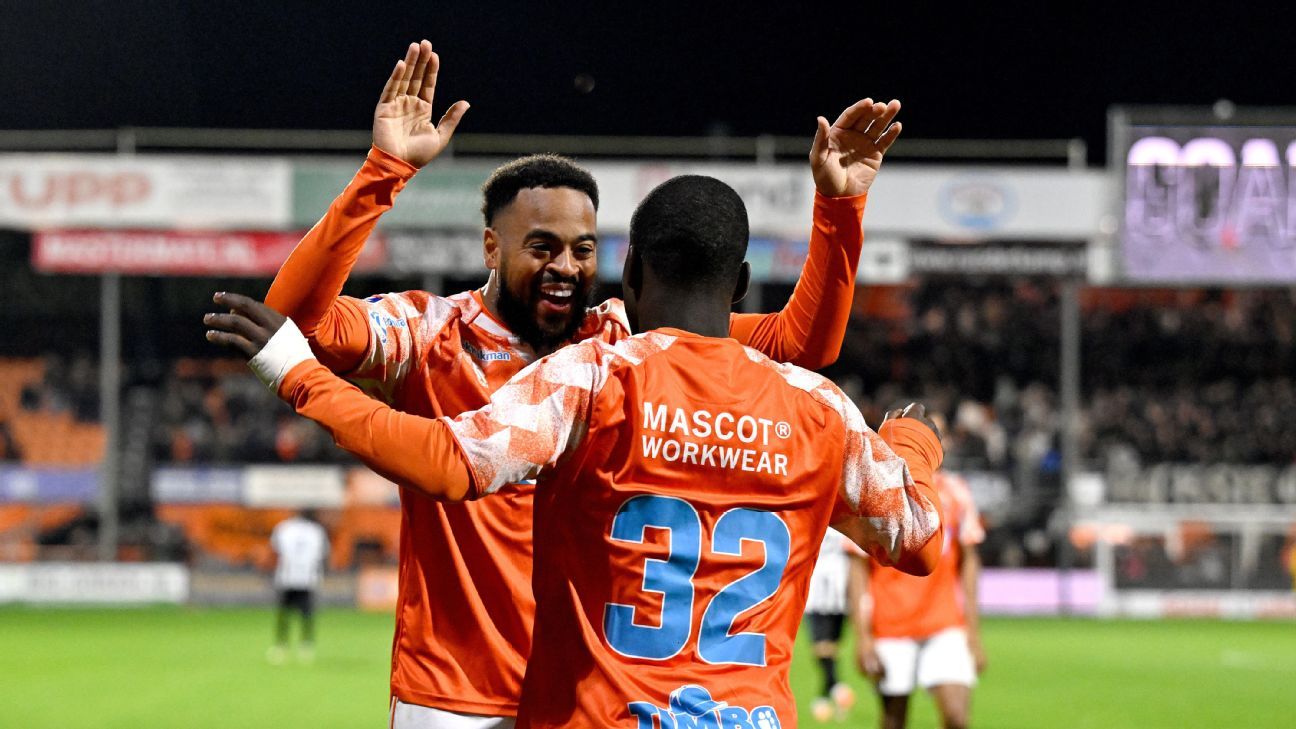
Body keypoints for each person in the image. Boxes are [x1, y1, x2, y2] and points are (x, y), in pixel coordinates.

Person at [258, 38, 904, 728]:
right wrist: (382, 171)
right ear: (491, 248)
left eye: (584, 247)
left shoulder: (623, 342)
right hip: (453, 693)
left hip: (586, 696)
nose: (565, 265)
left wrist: (839, 211)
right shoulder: (425, 331)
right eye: (541, 246)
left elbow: (804, 344)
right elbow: (300, 319)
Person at [853, 470, 986, 729]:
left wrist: (973, 631)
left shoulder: (955, 489)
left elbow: (969, 559)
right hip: (890, 624)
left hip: (945, 622)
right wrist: (863, 636)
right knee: (893, 720)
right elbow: (858, 567)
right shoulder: (872, 488)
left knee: (957, 718)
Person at [803, 530, 856, 722]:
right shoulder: (845, 519)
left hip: (822, 585)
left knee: (823, 646)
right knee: (828, 648)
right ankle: (828, 694)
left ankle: (835, 689)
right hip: (841, 585)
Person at [267, 508, 330, 665]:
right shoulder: (316, 530)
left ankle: (281, 646)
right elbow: (324, 553)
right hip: (308, 577)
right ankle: (306, 646)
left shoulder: (283, 528)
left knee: (284, 614)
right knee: (306, 614)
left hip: (287, 576)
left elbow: (275, 550)